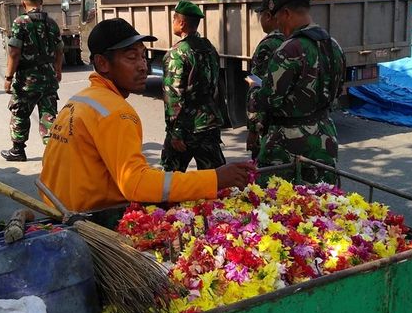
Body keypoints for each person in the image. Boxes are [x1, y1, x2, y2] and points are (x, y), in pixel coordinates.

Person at [38, 18, 253, 212]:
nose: (143, 67)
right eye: (132, 57)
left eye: (143, 56)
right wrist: (215, 178)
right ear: (103, 63)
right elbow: (135, 183)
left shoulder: (80, 100)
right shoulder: (116, 112)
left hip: (57, 210)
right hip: (88, 220)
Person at [248, 0, 346, 184]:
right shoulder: (333, 45)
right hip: (325, 137)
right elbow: (337, 89)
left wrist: (253, 89)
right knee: (322, 203)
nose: (278, 25)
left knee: (276, 205)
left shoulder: (290, 48)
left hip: (288, 143)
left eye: (278, 19)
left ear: (286, 13)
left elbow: (269, 100)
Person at [1, 0, 64, 162]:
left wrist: (8, 77)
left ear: (23, 3)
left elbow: (14, 53)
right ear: (41, 3)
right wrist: (57, 71)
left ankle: (18, 151)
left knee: (20, 112)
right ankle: (53, 154)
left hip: (27, 81)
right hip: (49, 79)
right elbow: (60, 50)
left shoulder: (20, 22)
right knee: (49, 115)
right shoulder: (51, 23)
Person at [161, 0, 225, 172]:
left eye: (174, 19)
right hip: (209, 123)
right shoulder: (209, 48)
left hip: (187, 127)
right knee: (215, 180)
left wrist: (175, 132)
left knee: (170, 180)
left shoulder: (177, 53)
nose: (172, 22)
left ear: (181, 23)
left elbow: (174, 96)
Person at [246, 0, 285, 159]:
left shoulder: (267, 46)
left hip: (270, 130)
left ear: (268, 16)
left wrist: (253, 130)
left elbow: (258, 90)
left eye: (260, 15)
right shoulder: (298, 42)